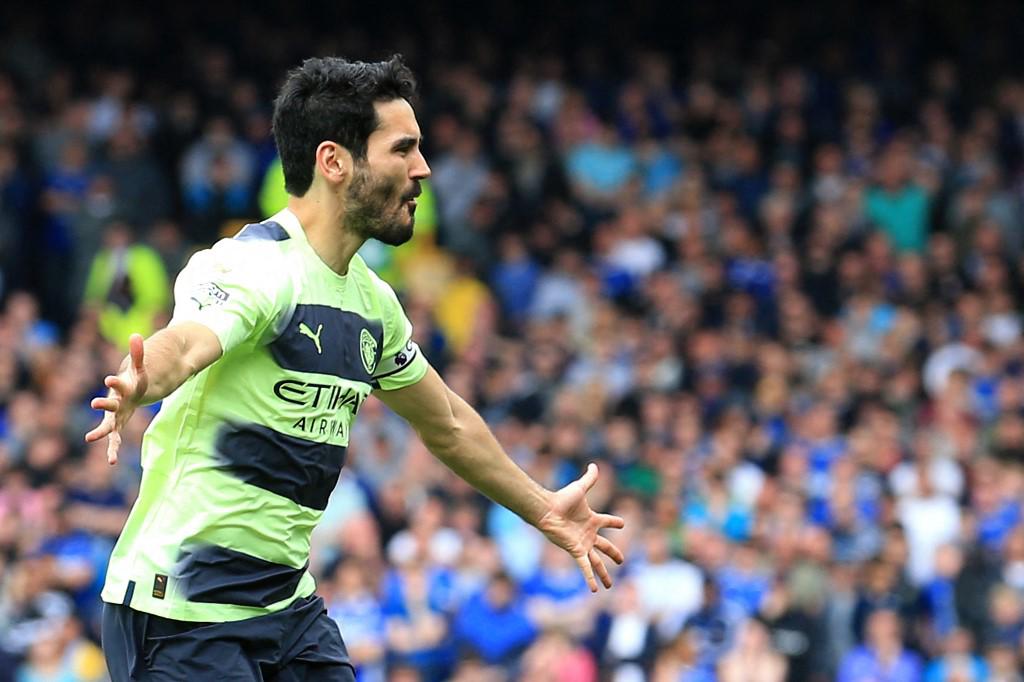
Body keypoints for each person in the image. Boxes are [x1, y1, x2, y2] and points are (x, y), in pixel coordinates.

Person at [86, 55, 625, 681]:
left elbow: (447, 421)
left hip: (285, 607)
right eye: (404, 150)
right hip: (180, 612)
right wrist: (141, 381)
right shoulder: (253, 267)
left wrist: (542, 508)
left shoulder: (373, 303)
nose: (423, 169)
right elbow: (187, 343)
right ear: (334, 162)